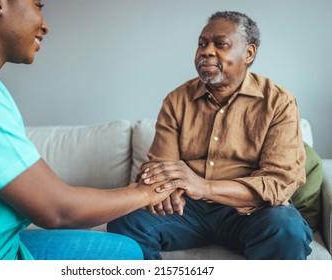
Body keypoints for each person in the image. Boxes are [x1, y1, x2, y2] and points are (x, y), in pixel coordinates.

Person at [0, 0, 175, 260]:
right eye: (38, 5)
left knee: (126, 249)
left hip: (0, 243)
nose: (45, 26)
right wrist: (145, 192)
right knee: (125, 256)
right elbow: (57, 209)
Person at [107, 11, 313, 260]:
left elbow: (279, 183)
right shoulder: (177, 100)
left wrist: (203, 187)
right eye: (202, 44)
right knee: (125, 221)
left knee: (287, 228)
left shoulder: (279, 102)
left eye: (220, 44)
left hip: (249, 211)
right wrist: (165, 188)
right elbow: (162, 167)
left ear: (248, 53)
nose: (206, 51)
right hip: (187, 211)